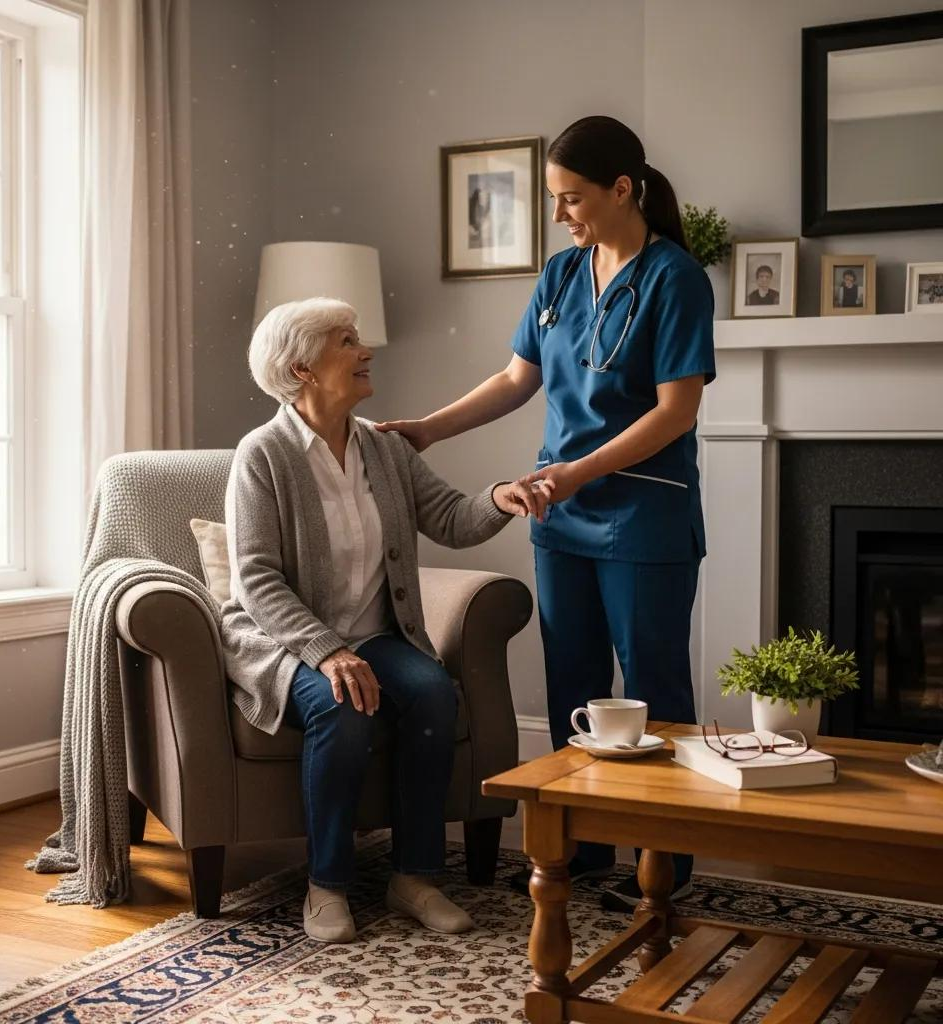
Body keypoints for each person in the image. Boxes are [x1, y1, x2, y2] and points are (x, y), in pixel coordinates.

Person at [378, 115, 716, 912]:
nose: (561, 215)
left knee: (654, 692)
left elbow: (676, 412)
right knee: (573, 683)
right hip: (558, 516)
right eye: (555, 200)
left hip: (645, 515)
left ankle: (665, 864)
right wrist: (427, 428)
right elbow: (513, 381)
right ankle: (585, 848)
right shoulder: (561, 277)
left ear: (622, 189)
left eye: (572, 198)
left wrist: (580, 472)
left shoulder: (676, 278)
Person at [221, 297, 547, 944]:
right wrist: (325, 651)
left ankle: (414, 877)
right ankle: (328, 883)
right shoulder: (261, 456)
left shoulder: (384, 448)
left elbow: (450, 518)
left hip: (374, 634)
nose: (365, 350)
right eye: (346, 341)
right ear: (303, 370)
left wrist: (502, 498)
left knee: (431, 692)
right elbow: (255, 579)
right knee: (341, 706)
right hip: (287, 642)